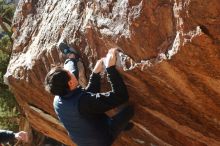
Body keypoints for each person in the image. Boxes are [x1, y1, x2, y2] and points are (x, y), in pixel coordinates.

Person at [44, 44, 134, 146]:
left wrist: (95, 74)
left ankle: (71, 56)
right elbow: (121, 96)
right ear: (70, 83)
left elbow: (87, 98)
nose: (72, 72)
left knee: (91, 109)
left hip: (82, 139)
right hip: (101, 140)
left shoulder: (58, 97)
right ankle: (119, 126)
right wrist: (110, 68)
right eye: (70, 73)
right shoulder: (83, 103)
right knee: (129, 110)